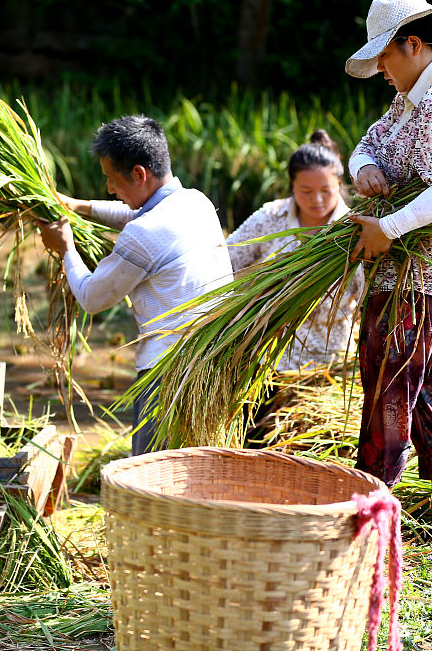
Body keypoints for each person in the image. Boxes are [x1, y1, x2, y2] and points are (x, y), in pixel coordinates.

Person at [344, 0, 432, 546]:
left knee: (396, 388)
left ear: (414, 44)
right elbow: (367, 144)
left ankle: (383, 522)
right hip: (404, 271)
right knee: (413, 386)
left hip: (426, 275)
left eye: (385, 56)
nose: (380, 68)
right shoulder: (409, 95)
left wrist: (386, 228)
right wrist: (366, 169)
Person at [37, 115, 233, 454]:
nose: (110, 189)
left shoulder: (143, 235)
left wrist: (65, 247)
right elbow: (135, 214)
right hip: (213, 361)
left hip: (167, 374)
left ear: (139, 174)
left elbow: (91, 297)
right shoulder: (195, 201)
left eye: (112, 181)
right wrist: (78, 207)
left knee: (150, 477)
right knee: (196, 472)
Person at [225, 129, 365, 371]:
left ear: (339, 184)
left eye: (325, 190)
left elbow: (368, 298)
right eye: (306, 191)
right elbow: (226, 262)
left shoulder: (356, 231)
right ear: (292, 185)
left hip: (328, 365)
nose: (317, 200)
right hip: (266, 361)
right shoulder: (270, 218)